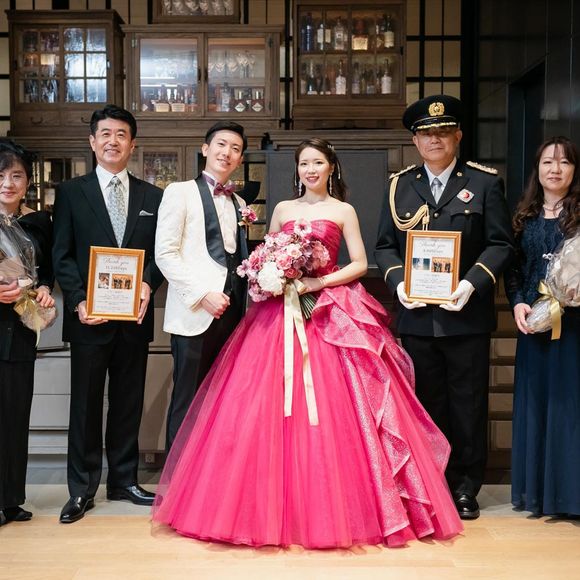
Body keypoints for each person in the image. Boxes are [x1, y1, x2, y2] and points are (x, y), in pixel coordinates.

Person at [152, 138, 463, 548]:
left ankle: (340, 508)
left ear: (331, 167)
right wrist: (272, 275)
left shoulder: (343, 210)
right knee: (263, 408)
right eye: (303, 164)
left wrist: (318, 282)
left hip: (329, 308)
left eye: (317, 162)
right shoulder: (283, 209)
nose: (310, 170)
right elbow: (266, 255)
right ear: (296, 170)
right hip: (278, 313)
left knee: (337, 409)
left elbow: (358, 263)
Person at [375, 95, 514, 520]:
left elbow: (500, 243)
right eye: (425, 133)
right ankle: (430, 483)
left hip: (465, 315)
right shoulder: (400, 185)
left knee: (468, 404)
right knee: (426, 403)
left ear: (458, 136)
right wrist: (399, 284)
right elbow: (384, 246)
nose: (434, 139)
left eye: (442, 132)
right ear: (415, 141)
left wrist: (471, 285)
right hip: (417, 316)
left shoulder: (484, 183)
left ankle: (465, 487)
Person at [52, 105, 163, 523]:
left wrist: (148, 283)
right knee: (84, 404)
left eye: (121, 135)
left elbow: (160, 254)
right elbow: (61, 255)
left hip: (133, 319)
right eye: (105, 134)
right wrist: (78, 299)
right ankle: (81, 489)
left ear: (133, 145)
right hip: (89, 318)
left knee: (127, 402)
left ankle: (123, 480)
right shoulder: (70, 193)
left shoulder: (154, 197)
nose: (113, 141)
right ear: (92, 141)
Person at [155, 121, 248, 450]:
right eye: (221, 144)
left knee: (222, 400)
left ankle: (211, 473)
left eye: (235, 149)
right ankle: (177, 476)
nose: (227, 153)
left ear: (240, 159)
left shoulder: (239, 204)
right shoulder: (178, 192)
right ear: (205, 149)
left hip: (232, 314)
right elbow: (165, 254)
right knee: (188, 399)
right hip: (195, 313)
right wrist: (201, 295)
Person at [504, 136, 580, 517]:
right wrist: (518, 300)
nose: (555, 169)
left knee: (569, 405)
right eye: (548, 162)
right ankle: (536, 494)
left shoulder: (579, 215)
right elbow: (514, 270)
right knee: (536, 404)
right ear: (537, 168)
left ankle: (570, 496)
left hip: (574, 326)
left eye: (564, 162)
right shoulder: (523, 216)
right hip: (534, 324)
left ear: (574, 170)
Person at [0, 139, 54, 527]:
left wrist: (46, 289)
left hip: (19, 334)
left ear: (27, 182)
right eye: (0, 175)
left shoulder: (37, 224)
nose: (8, 183)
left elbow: (45, 272)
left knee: (16, 417)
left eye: (16, 175)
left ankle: (10, 499)